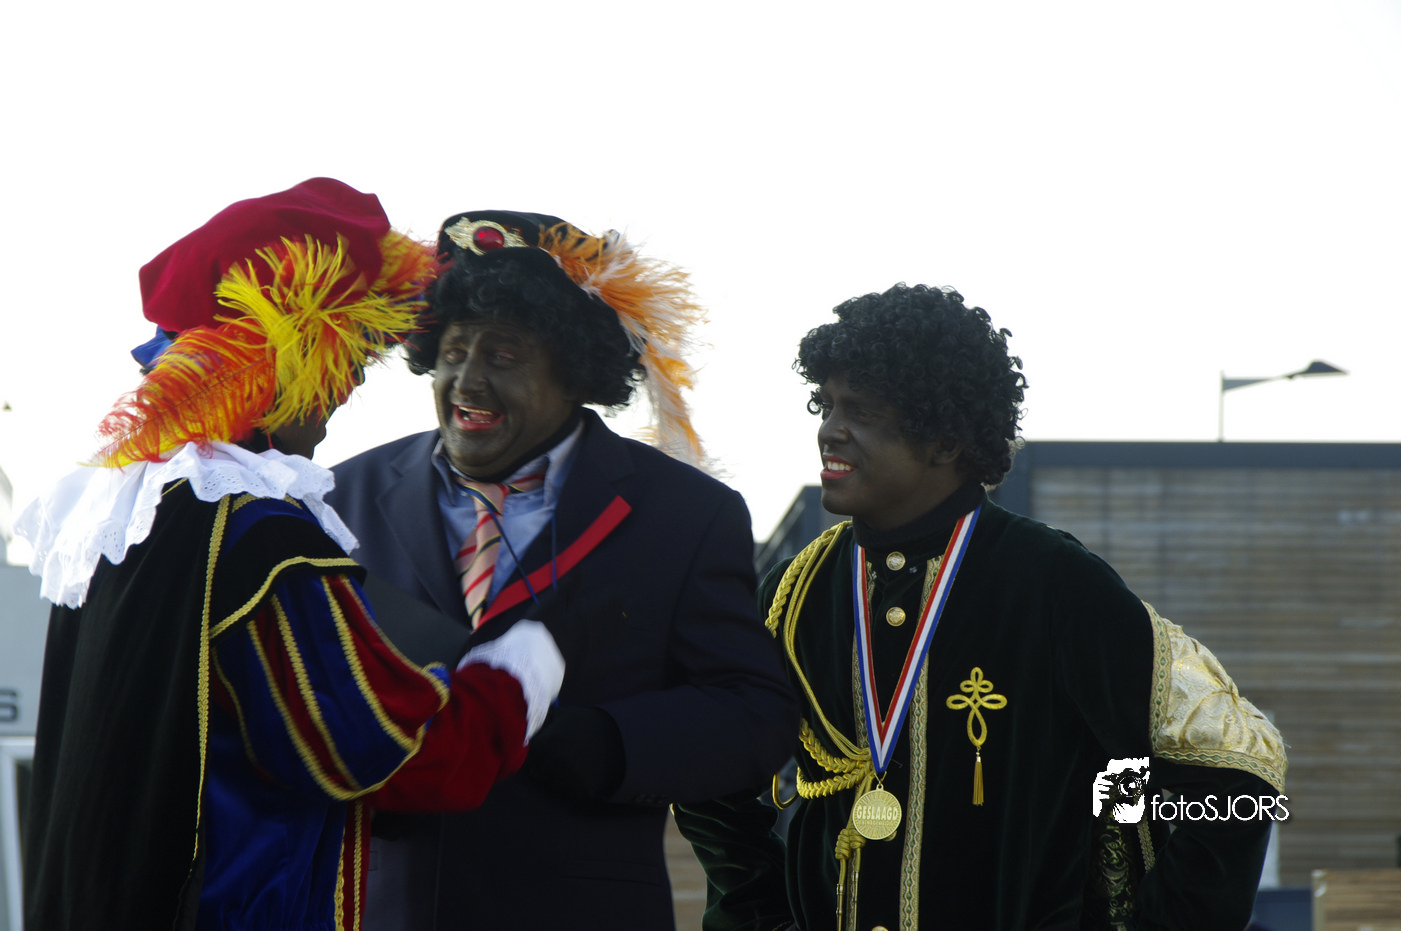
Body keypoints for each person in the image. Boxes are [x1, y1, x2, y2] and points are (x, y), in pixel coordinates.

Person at [16, 179, 565, 931]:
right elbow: (382, 750)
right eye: (350, 357)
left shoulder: (123, 520)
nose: (351, 386)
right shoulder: (264, 539)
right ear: (289, 356)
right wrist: (509, 681)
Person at [674, 283, 1288, 931]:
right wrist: (759, 916)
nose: (830, 428)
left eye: (861, 410)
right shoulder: (794, 591)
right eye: (826, 404)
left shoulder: (1051, 580)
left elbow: (1238, 766)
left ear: (944, 438)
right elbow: (708, 776)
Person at [327, 210, 798, 930]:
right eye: (453, 352)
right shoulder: (337, 500)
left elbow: (754, 713)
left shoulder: (685, 513)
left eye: (503, 355)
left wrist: (615, 742)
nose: (467, 381)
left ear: (575, 369)